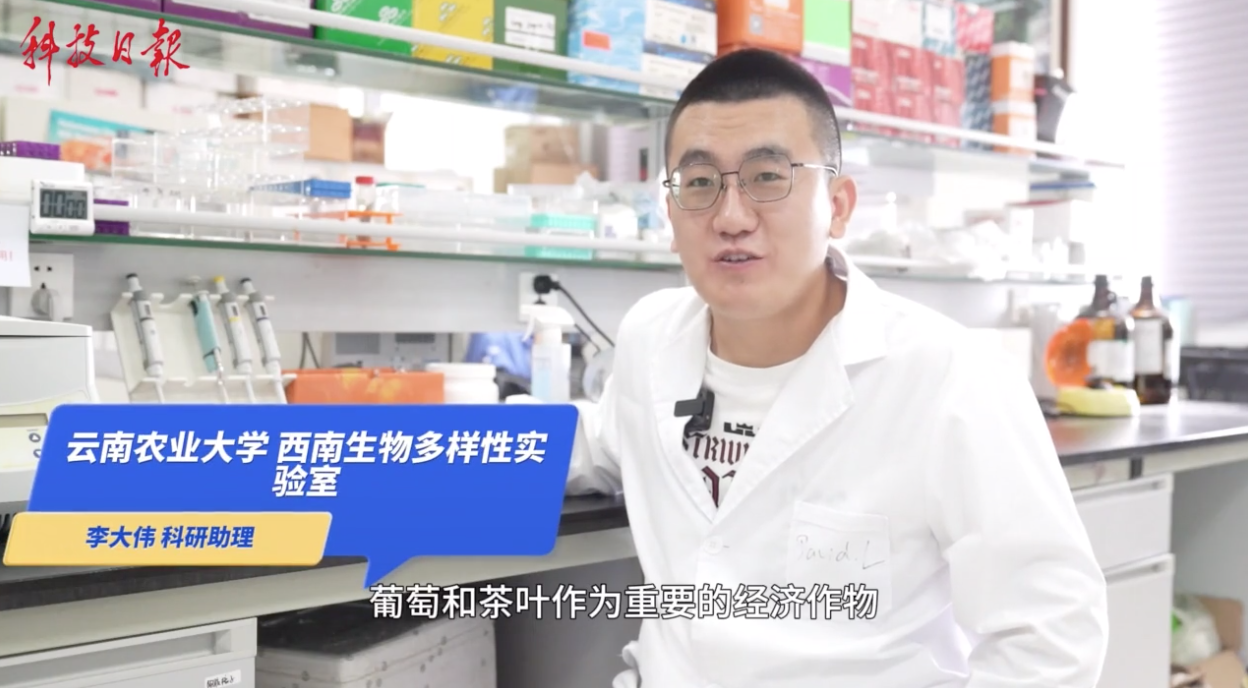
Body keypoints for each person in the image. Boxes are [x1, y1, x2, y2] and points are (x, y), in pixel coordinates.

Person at [565, 48, 1108, 687]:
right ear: (671, 209)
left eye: (768, 177)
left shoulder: (949, 378)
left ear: (839, 206)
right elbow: (599, 441)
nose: (731, 217)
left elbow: (1052, 640)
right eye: (701, 182)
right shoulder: (651, 337)